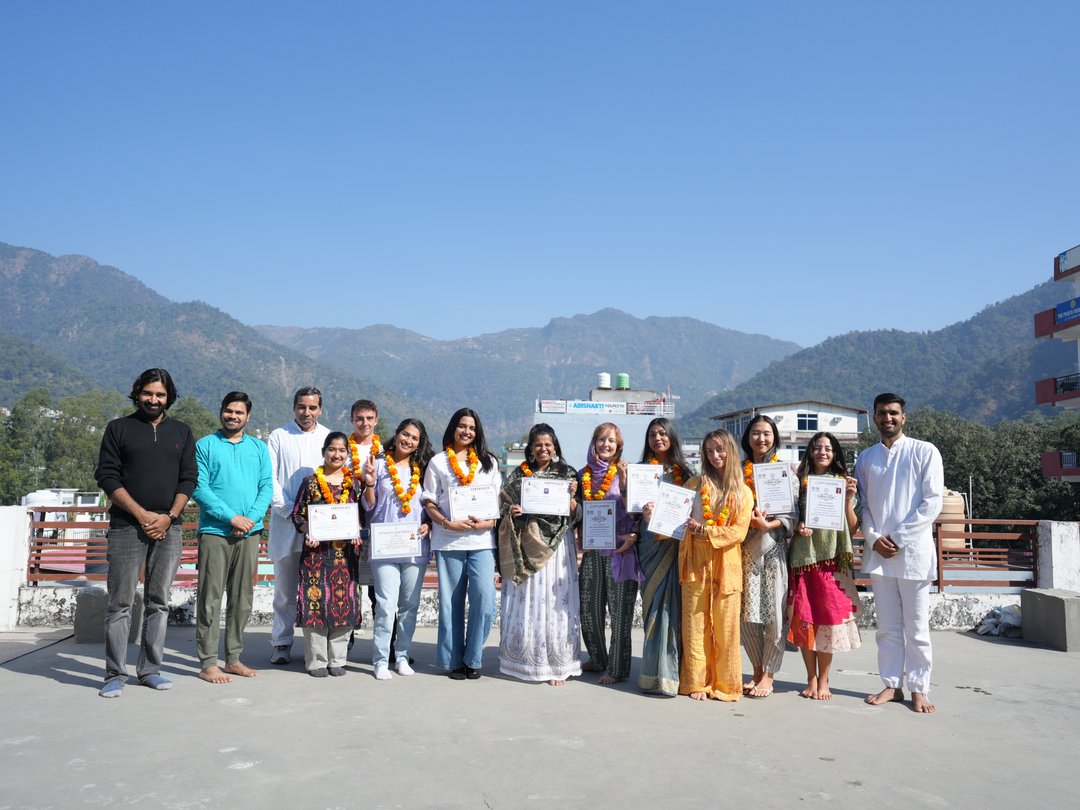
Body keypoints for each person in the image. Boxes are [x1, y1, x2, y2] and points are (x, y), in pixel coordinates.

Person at [94, 368, 198, 697]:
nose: (154, 399)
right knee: (120, 604)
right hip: (126, 527)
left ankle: (150, 669)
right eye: (148, 393)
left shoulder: (182, 431)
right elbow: (107, 476)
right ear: (138, 394)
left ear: (169, 397)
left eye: (160, 394)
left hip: (170, 528)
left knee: (159, 602)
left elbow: (189, 478)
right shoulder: (118, 429)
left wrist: (169, 517)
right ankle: (115, 674)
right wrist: (141, 515)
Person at [855, 393, 944, 714]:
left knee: (917, 629)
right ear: (875, 418)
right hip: (880, 556)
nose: (887, 418)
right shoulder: (866, 458)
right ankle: (892, 685)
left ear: (903, 417)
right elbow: (864, 505)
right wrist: (874, 538)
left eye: (893, 413)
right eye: (882, 413)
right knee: (887, 628)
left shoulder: (925, 451)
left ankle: (920, 688)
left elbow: (932, 502)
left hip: (914, 554)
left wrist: (898, 538)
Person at [192, 391, 273, 684]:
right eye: (229, 411)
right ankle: (208, 662)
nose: (233, 416)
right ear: (221, 412)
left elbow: (266, 486)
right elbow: (199, 488)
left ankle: (233, 659)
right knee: (210, 598)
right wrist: (231, 518)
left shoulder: (259, 448)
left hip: (249, 533)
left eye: (239, 412)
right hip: (215, 532)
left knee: (242, 599)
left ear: (248, 417)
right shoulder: (205, 445)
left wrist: (249, 519)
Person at [497, 423, 582, 685]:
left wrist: (572, 502)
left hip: (557, 548)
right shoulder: (518, 476)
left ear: (555, 447)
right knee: (531, 598)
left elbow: (578, 515)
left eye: (548, 444)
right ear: (531, 450)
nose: (543, 449)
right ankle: (524, 661)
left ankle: (557, 665)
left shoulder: (568, 474)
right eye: (538, 445)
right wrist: (512, 512)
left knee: (555, 600)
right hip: (527, 546)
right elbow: (502, 507)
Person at [422, 408, 501, 680]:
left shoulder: (488, 462)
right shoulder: (438, 462)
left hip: (481, 541)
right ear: (453, 428)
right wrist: (447, 523)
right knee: (450, 603)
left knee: (485, 600)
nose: (466, 431)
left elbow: (496, 503)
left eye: (472, 427)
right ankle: (454, 660)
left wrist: (487, 523)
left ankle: (473, 657)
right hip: (448, 541)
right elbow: (429, 501)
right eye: (462, 426)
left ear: (477, 432)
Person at [679, 429, 753, 701]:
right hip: (695, 561)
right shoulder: (693, 485)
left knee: (726, 627)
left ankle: (726, 685)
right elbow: (675, 517)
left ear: (730, 451)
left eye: (720, 450)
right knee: (695, 624)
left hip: (726, 562)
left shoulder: (743, 492)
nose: (715, 456)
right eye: (709, 451)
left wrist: (705, 531)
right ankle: (697, 683)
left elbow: (739, 532)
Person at [789, 432, 862, 700]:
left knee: (827, 620)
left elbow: (852, 527)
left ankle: (824, 680)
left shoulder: (843, 483)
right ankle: (810, 678)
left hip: (831, 560)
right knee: (806, 618)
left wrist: (847, 500)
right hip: (804, 557)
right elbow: (791, 519)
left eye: (828, 448)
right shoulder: (798, 483)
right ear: (810, 452)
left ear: (835, 454)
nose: (822, 452)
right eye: (817, 447)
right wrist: (799, 525)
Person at [360, 418, 433, 680]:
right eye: (405, 434)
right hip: (385, 546)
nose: (408, 440)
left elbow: (432, 503)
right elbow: (369, 507)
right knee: (385, 605)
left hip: (414, 546)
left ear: (420, 443)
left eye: (414, 438)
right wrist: (370, 483)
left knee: (409, 605)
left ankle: (402, 656)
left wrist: (429, 524)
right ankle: (380, 660)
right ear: (397, 434)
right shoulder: (379, 464)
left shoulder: (423, 469)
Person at [291, 432, 363, 677]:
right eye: (332, 449)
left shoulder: (353, 484)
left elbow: (362, 515)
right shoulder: (311, 482)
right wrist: (308, 530)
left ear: (347, 454)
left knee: (345, 604)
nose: (337, 454)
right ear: (324, 452)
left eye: (342, 450)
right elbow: (297, 514)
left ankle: (338, 659)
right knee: (316, 605)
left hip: (346, 556)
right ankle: (316, 661)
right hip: (316, 556)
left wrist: (357, 530)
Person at [267, 386, 330, 665]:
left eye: (312, 407)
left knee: (319, 588)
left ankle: (318, 646)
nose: (307, 412)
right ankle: (281, 642)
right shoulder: (279, 436)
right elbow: (270, 480)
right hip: (286, 524)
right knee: (285, 590)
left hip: (320, 528)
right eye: (302, 407)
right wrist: (293, 512)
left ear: (320, 409)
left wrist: (317, 519)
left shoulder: (328, 437)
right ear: (294, 407)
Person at [578, 422, 641, 685]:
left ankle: (616, 668)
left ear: (619, 446)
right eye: (601, 439)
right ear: (594, 442)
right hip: (593, 551)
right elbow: (576, 513)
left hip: (620, 551)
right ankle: (597, 658)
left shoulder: (627, 472)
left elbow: (637, 511)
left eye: (611, 441)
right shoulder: (582, 475)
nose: (606, 445)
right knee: (589, 609)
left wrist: (624, 483)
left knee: (619, 613)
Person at [635, 417, 693, 696]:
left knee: (672, 609)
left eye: (662, 433)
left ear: (671, 437)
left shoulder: (686, 474)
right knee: (652, 607)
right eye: (652, 434)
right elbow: (630, 512)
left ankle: (670, 675)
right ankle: (651, 674)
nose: (657, 438)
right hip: (649, 545)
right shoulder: (641, 472)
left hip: (674, 545)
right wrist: (643, 515)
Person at [740, 414, 797, 698]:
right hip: (743, 551)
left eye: (766, 433)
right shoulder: (738, 472)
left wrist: (769, 524)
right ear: (747, 437)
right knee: (747, 614)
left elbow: (793, 514)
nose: (760, 439)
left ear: (774, 437)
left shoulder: (784, 472)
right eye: (755, 433)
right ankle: (755, 669)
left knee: (774, 613)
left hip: (773, 548)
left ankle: (769, 674)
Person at [347, 399, 381, 649]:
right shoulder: (343, 449)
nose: (364, 423)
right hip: (348, 526)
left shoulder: (385, 452)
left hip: (377, 526)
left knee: (379, 591)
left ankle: (386, 646)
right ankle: (343, 643)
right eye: (359, 418)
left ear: (376, 421)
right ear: (352, 420)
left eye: (369, 418)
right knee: (349, 585)